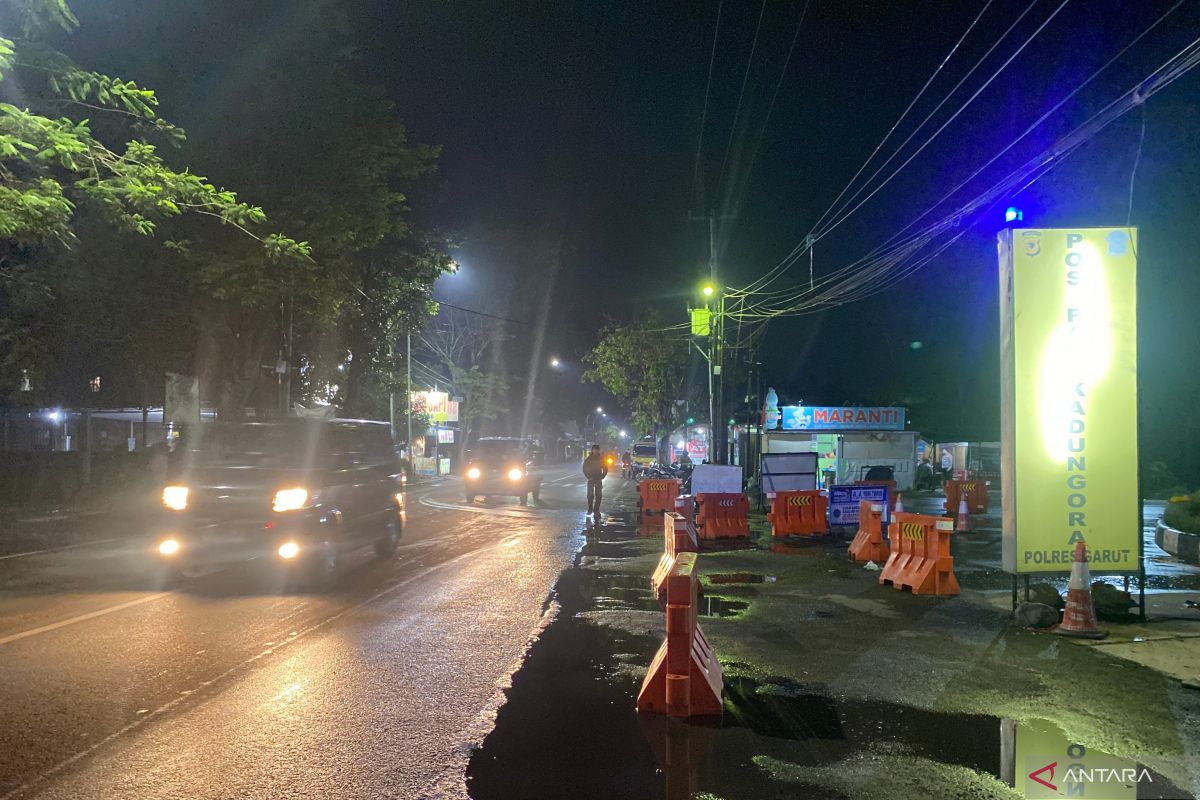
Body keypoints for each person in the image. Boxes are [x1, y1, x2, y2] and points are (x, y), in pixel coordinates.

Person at [582, 444, 608, 517]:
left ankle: (596, 510)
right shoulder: (588, 459)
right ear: (592, 450)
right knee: (590, 495)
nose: (595, 451)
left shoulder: (601, 459)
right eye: (594, 449)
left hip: (598, 479)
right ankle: (590, 509)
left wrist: (602, 476)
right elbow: (584, 468)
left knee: (598, 495)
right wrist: (588, 477)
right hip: (590, 479)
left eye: (597, 449)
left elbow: (605, 469)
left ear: (598, 450)